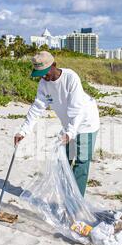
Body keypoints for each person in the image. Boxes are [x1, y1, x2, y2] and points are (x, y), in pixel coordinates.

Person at [14, 51, 100, 197]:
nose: (43, 76)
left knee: (81, 163)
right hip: (68, 126)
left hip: (86, 123)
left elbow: (76, 109)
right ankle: (67, 198)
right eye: (39, 73)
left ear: (54, 65)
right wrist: (23, 131)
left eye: (45, 72)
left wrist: (70, 133)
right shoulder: (44, 84)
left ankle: (76, 203)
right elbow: (37, 107)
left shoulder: (70, 78)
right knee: (63, 161)